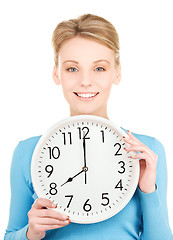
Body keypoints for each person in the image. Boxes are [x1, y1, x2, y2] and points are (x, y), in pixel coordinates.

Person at [4, 13, 173, 240]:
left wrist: (147, 190)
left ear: (117, 72)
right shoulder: (28, 152)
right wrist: (30, 232)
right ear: (56, 73)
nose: (85, 81)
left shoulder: (146, 151)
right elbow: (10, 235)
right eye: (72, 69)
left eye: (99, 68)